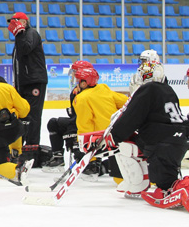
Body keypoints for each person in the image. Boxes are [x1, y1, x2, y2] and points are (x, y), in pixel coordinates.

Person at [103, 61, 189, 209]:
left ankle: (138, 185)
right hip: (178, 141)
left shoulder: (148, 90)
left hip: (161, 142)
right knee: (166, 175)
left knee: (125, 144)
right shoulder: (168, 90)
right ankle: (166, 185)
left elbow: (131, 117)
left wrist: (114, 137)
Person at [70, 65, 127, 180]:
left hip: (104, 137)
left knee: (119, 178)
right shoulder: (104, 89)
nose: (76, 83)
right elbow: (126, 102)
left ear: (84, 83)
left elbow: (85, 124)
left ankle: (94, 166)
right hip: (120, 132)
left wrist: (84, 147)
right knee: (124, 165)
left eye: (78, 81)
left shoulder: (81, 98)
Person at [42, 60, 92, 171]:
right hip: (78, 123)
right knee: (53, 123)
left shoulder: (92, 92)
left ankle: (89, 161)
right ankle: (58, 157)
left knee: (70, 127)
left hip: (90, 127)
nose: (73, 75)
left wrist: (71, 130)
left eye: (75, 72)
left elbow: (87, 117)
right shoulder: (76, 91)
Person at [7, 12, 47, 147]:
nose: (12, 24)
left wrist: (19, 34)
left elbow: (25, 49)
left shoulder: (31, 33)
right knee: (23, 115)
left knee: (33, 116)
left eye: (15, 21)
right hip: (24, 83)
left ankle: (32, 147)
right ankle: (21, 145)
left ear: (24, 22)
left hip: (34, 81)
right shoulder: (21, 37)